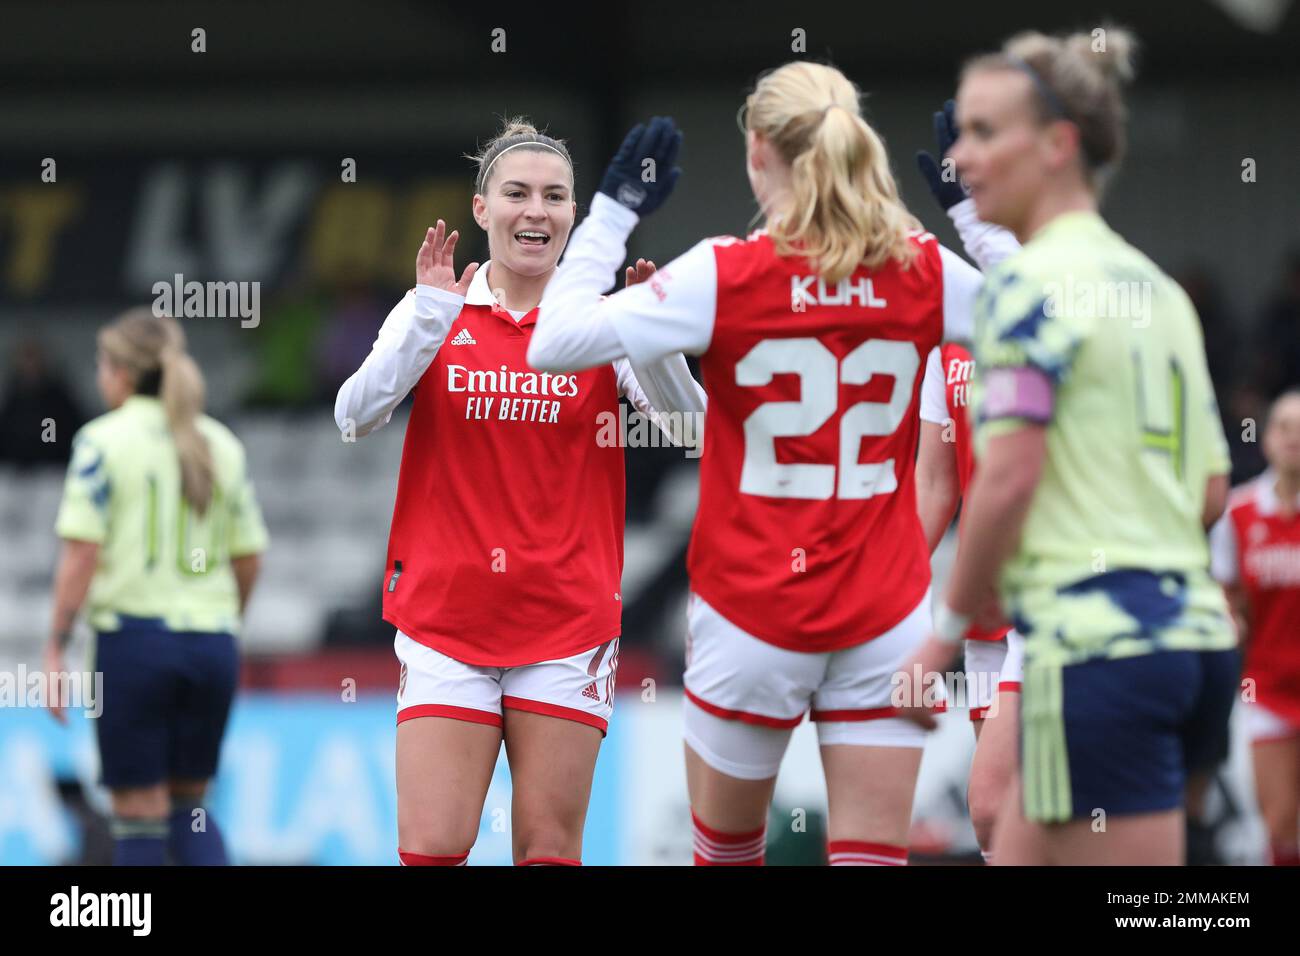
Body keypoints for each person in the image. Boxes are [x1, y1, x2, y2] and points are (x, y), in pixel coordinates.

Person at [529, 62, 985, 866]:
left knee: (728, 856)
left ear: (757, 152)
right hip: (884, 615)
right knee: (873, 858)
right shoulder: (923, 269)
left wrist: (609, 216)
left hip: (752, 615)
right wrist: (976, 221)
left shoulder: (724, 272)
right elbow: (1061, 327)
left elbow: (553, 346)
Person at [334, 119, 705, 867]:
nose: (536, 210)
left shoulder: (602, 321)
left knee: (547, 851)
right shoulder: (436, 307)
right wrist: (428, 320)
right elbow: (353, 416)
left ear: (574, 214)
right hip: (447, 620)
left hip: (565, 622)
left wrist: (650, 340)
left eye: (555, 197)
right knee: (434, 846)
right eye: (517, 194)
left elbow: (691, 430)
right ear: (482, 210)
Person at [906, 27, 1237, 865]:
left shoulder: (1024, 289)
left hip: (1095, 647)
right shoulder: (1154, 288)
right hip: (1185, 645)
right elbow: (1208, 491)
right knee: (1005, 834)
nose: (961, 159)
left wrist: (939, 638)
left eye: (984, 134)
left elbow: (1007, 478)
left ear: (1057, 147)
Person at [46, 309, 267, 865]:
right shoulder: (221, 443)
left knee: (138, 815)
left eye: (101, 364)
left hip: (134, 644)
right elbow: (249, 555)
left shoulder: (102, 441)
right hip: (211, 645)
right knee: (191, 806)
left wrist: (54, 646)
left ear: (120, 372)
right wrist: (224, 618)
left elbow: (82, 552)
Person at [1211, 389, 1300, 866]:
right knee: (1281, 822)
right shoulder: (1239, 512)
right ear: (1265, 440)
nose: (1294, 439)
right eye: (1284, 427)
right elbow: (1226, 595)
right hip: (1265, 689)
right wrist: (1229, 617)